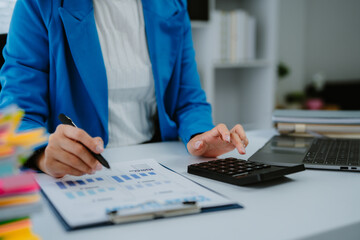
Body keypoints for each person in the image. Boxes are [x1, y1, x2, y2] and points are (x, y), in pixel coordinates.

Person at [0, 0, 248, 178]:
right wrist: (43, 155)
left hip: (161, 167)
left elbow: (188, 99)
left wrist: (200, 137)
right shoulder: (37, 4)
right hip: (82, 175)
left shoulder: (173, 5)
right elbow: (17, 113)